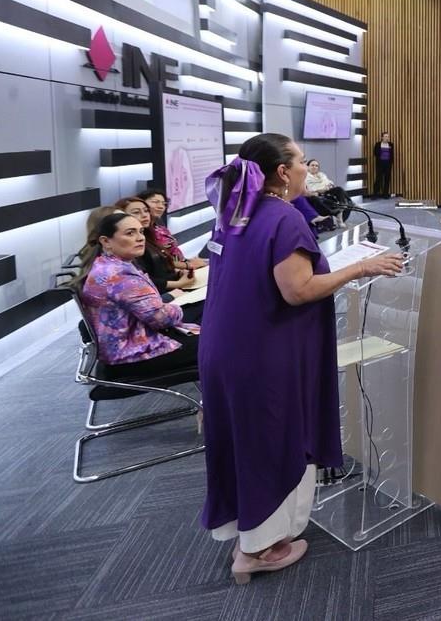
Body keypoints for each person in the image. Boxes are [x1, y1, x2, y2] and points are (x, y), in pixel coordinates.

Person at [198, 133, 405, 584]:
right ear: (281, 173)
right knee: (274, 440)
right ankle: (258, 550)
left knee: (242, 441)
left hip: (226, 347)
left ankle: (244, 531)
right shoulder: (283, 218)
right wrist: (361, 267)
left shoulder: (233, 212)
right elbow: (298, 291)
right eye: (299, 163)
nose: (306, 171)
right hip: (265, 353)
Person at [75, 212, 199, 371]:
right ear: (106, 241)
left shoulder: (107, 264)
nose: (140, 238)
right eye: (130, 233)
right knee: (220, 343)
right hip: (133, 355)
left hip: (125, 346)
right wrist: (176, 308)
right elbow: (160, 319)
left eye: (141, 232)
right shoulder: (118, 274)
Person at [116, 197, 196, 295]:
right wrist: (178, 283)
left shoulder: (151, 235)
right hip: (158, 295)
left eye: (146, 211)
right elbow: (143, 279)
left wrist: (178, 273)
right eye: (136, 212)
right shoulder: (129, 245)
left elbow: (161, 266)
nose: (144, 215)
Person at [140, 188, 208, 270]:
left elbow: (172, 253)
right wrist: (188, 265)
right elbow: (158, 262)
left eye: (164, 204)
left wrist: (188, 261)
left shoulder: (159, 227)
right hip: (170, 273)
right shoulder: (141, 232)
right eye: (155, 202)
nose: (161, 207)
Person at [371, 132, 394, 199]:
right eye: (386, 136)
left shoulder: (391, 144)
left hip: (388, 164)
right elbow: (375, 153)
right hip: (380, 164)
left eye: (388, 136)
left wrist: (391, 163)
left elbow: (392, 154)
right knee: (378, 179)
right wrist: (382, 151)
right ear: (382, 137)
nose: (387, 138)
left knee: (387, 179)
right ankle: (375, 194)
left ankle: (385, 194)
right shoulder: (378, 144)